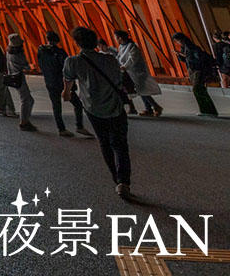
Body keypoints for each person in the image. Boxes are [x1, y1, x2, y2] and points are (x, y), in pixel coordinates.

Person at [63, 26, 133, 198]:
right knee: (121, 144)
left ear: (77, 43)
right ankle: (124, 181)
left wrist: (66, 92)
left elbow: (68, 81)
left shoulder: (73, 62)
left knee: (105, 143)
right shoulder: (110, 59)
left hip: (93, 108)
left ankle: (116, 179)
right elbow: (118, 80)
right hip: (115, 106)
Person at [37, 31, 91, 137]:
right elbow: (66, 69)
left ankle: (61, 129)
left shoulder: (41, 52)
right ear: (57, 41)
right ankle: (79, 126)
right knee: (78, 105)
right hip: (61, 83)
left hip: (49, 82)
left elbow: (41, 66)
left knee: (56, 106)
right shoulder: (60, 52)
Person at [114, 30, 163, 116]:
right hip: (129, 73)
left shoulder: (132, 46)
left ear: (120, 38)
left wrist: (124, 66)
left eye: (116, 37)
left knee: (142, 90)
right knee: (140, 90)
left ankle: (155, 106)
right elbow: (119, 57)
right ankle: (149, 109)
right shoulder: (121, 46)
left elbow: (132, 59)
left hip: (137, 72)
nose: (115, 39)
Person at [171, 32, 219, 116]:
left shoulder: (192, 48)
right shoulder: (185, 48)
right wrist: (180, 55)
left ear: (181, 40)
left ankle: (208, 110)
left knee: (197, 89)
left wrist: (187, 57)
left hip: (198, 71)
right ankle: (208, 110)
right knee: (200, 90)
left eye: (177, 41)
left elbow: (198, 60)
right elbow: (185, 60)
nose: (177, 43)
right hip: (193, 71)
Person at [6, 33, 36, 131]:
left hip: (13, 77)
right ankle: (24, 122)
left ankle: (26, 119)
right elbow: (26, 67)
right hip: (19, 78)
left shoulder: (8, 52)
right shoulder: (18, 54)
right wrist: (30, 66)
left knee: (28, 99)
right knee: (26, 100)